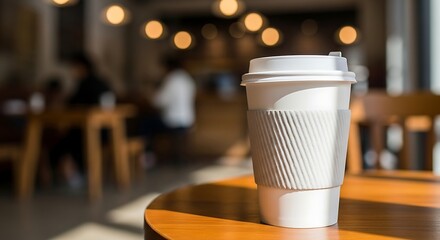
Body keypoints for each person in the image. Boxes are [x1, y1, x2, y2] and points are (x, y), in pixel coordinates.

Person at [49, 53, 111, 188]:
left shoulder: (86, 84)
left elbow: (72, 104)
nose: (72, 71)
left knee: (65, 140)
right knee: (67, 137)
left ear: (81, 67)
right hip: (106, 129)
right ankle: (74, 173)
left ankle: (73, 174)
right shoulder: (100, 81)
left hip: (92, 130)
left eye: (73, 68)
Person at [142, 57, 196, 166]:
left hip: (172, 121)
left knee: (146, 124)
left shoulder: (171, 80)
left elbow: (158, 102)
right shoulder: (187, 79)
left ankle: (148, 156)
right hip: (188, 120)